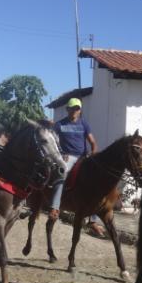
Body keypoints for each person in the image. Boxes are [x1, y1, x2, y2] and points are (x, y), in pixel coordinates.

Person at [49, 97, 106, 237]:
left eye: (77, 108)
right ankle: (55, 207)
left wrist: (93, 155)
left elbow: (93, 142)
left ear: (80, 110)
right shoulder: (59, 125)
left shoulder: (84, 124)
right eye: (72, 108)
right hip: (67, 157)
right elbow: (51, 142)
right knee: (61, 174)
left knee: (97, 180)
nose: (74, 111)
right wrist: (61, 154)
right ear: (67, 109)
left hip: (83, 157)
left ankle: (93, 219)